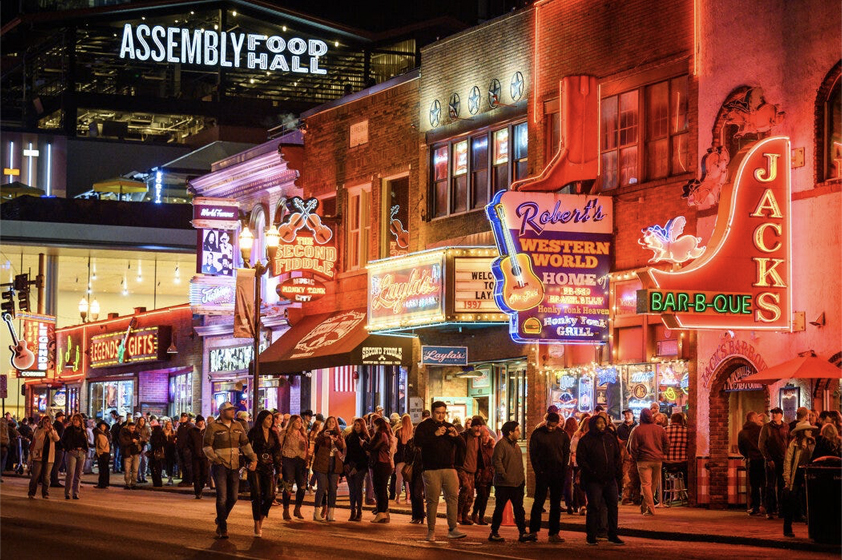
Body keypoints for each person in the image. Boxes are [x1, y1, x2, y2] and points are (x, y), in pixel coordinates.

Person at [202, 401, 257, 539]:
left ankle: (220, 519)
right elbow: (206, 446)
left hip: (234, 466)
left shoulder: (238, 426)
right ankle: (223, 527)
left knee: (233, 497)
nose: (233, 412)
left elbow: (245, 444)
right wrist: (215, 459)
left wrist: (253, 458)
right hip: (220, 466)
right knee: (222, 497)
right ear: (222, 412)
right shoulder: (213, 426)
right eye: (230, 410)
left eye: (233, 409)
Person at [414, 401, 467, 542]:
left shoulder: (449, 426)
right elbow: (417, 442)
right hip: (431, 469)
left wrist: (457, 436)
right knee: (432, 501)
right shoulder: (424, 426)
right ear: (432, 412)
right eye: (438, 413)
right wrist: (435, 434)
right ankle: (431, 531)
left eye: (443, 413)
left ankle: (452, 528)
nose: (441, 415)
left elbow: (463, 445)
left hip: (449, 468)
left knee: (452, 498)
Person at [577, 414, 624, 546]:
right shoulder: (586, 440)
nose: (602, 425)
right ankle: (591, 536)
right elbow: (581, 460)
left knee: (613, 507)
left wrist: (616, 472)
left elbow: (616, 457)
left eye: (603, 423)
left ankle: (613, 534)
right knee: (594, 507)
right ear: (593, 424)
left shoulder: (609, 438)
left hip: (609, 479)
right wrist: (592, 472)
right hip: (594, 480)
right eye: (598, 423)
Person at [487, 421, 533, 543]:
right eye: (517, 430)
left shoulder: (516, 446)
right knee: (499, 509)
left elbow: (518, 465)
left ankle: (522, 532)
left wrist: (521, 479)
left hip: (517, 484)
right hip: (504, 484)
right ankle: (494, 532)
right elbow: (497, 462)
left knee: (519, 509)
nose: (519, 432)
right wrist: (504, 475)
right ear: (510, 432)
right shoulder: (501, 445)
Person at [528, 412, 571, 542]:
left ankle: (554, 533)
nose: (550, 428)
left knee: (555, 504)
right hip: (543, 473)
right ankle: (534, 531)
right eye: (549, 425)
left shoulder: (563, 435)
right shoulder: (538, 433)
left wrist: (563, 471)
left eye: (553, 426)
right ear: (545, 421)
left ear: (557, 424)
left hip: (557, 473)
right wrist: (538, 470)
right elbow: (533, 454)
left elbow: (565, 454)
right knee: (538, 501)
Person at [248, 410, 282, 537]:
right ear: (262, 419)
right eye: (268, 419)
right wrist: (250, 461)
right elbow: (246, 448)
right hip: (256, 466)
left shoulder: (273, 434)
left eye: (271, 419)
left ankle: (260, 518)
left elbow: (277, 452)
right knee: (256, 495)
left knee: (269, 496)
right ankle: (256, 524)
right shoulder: (253, 432)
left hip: (268, 467)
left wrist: (279, 470)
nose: (270, 421)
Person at [629, 408, 669, 516]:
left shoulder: (638, 430)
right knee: (653, 485)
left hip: (643, 460)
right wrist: (663, 454)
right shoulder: (660, 429)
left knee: (646, 484)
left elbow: (633, 447)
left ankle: (650, 509)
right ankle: (644, 505)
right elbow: (666, 443)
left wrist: (635, 457)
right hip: (657, 459)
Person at [458, 416, 494, 526]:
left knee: (470, 495)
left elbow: (479, 455)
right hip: (463, 468)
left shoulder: (478, 439)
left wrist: (479, 469)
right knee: (466, 489)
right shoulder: (464, 436)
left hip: (473, 469)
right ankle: (458, 513)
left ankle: (465, 515)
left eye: (480, 426)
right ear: (472, 426)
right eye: (476, 426)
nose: (478, 428)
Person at [782, 421, 815, 537]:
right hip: (796, 475)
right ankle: (787, 528)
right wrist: (787, 476)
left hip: (807, 475)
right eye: (808, 430)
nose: (810, 431)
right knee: (791, 502)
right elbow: (788, 461)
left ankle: (812, 529)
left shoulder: (812, 444)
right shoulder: (794, 444)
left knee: (808, 502)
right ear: (802, 432)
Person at [312, 416, 346, 522]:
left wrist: (336, 440)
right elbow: (316, 443)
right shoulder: (322, 434)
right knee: (321, 487)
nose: (331, 423)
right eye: (329, 422)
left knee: (333, 489)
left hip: (334, 463)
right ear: (326, 423)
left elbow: (342, 447)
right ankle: (317, 513)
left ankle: (331, 514)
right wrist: (323, 436)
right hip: (322, 463)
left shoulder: (338, 435)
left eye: (333, 422)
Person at [759, 407, 789, 519]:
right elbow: (762, 445)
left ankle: (782, 510)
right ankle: (769, 510)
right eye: (773, 413)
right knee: (770, 485)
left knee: (782, 485)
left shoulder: (786, 427)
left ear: (781, 415)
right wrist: (768, 459)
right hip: (771, 459)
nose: (774, 415)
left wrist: (787, 457)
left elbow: (788, 442)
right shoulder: (766, 427)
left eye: (776, 413)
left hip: (783, 459)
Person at [278, 414, 309, 520]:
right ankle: (286, 509)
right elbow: (279, 447)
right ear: (292, 422)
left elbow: (306, 449)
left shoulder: (303, 434)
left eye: (300, 422)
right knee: (288, 486)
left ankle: (297, 508)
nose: (299, 424)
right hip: (288, 460)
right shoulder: (285, 433)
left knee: (302, 486)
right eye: (297, 421)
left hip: (300, 462)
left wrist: (307, 459)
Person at [366, 417, 394, 523]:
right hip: (385, 464)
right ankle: (384, 512)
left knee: (379, 489)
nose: (373, 427)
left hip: (380, 464)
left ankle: (381, 512)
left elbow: (372, 447)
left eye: (374, 425)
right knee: (382, 489)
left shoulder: (380, 434)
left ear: (377, 425)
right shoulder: (386, 434)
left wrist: (364, 444)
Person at [738, 411, 765, 515]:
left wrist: (747, 455)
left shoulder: (742, 432)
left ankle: (755, 507)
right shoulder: (761, 430)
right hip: (763, 459)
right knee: (764, 484)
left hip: (752, 460)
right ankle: (765, 506)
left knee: (754, 485)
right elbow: (765, 444)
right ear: (753, 419)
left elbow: (741, 449)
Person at [344, 417, 371, 521]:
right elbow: (346, 452)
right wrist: (346, 464)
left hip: (360, 466)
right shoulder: (349, 437)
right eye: (355, 425)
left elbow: (365, 456)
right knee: (352, 490)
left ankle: (359, 511)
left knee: (358, 488)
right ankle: (352, 511)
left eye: (358, 425)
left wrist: (357, 467)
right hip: (350, 464)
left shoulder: (365, 438)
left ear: (362, 426)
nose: (356, 427)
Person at [29, 416, 60, 499]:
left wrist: (50, 430)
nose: (46, 423)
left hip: (49, 456)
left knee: (46, 476)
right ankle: (31, 493)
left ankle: (45, 493)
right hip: (39, 456)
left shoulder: (53, 430)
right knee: (35, 476)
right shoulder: (38, 429)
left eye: (48, 421)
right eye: (45, 422)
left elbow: (57, 439)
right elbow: (37, 437)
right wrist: (43, 429)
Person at [471, 423, 496, 525]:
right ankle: (475, 514)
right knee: (482, 495)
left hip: (489, 475)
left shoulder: (491, 446)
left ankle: (481, 516)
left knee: (485, 497)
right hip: (481, 475)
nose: (486, 438)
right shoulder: (478, 447)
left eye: (487, 435)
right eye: (483, 436)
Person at [61, 413, 89, 500]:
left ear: (80, 422)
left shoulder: (83, 431)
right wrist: (67, 448)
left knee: (78, 474)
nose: (75, 421)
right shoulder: (68, 430)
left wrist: (85, 448)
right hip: (72, 452)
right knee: (70, 473)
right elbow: (63, 440)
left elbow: (86, 442)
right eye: (74, 420)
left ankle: (76, 493)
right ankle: (67, 493)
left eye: (77, 420)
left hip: (81, 453)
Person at [664, 412, 689, 500]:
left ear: (672, 420)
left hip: (667, 463)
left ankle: (662, 494)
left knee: (660, 470)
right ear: (682, 420)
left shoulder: (664, 430)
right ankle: (688, 493)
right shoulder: (687, 431)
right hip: (683, 463)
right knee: (688, 471)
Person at [570, 414, 591, 515]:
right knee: (587, 483)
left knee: (578, 483)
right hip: (588, 463)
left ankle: (580, 505)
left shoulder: (577, 435)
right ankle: (585, 504)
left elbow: (572, 449)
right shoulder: (590, 436)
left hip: (577, 463)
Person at [394, 414, 413, 504]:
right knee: (408, 479)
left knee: (399, 479)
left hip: (399, 458)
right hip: (409, 460)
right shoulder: (412, 432)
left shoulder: (398, 432)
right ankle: (408, 498)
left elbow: (395, 447)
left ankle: (398, 497)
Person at [189, 416, 209, 499]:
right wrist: (193, 451)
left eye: (202, 421)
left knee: (204, 473)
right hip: (196, 456)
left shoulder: (207, 431)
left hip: (205, 456)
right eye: (200, 421)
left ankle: (201, 485)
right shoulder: (192, 431)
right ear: (196, 422)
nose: (201, 423)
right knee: (196, 474)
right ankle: (198, 491)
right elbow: (189, 443)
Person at [119, 421, 142, 490]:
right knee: (127, 470)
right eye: (132, 428)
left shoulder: (136, 433)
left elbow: (140, 442)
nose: (133, 429)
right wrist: (132, 441)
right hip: (127, 453)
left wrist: (139, 443)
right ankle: (127, 483)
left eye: (134, 428)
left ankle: (133, 483)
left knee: (135, 469)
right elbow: (123, 443)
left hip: (135, 453)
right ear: (128, 427)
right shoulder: (124, 433)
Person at [176, 413, 195, 487]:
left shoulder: (190, 426)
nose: (183, 418)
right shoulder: (181, 426)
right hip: (181, 448)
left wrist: (188, 446)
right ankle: (184, 480)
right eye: (182, 417)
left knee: (188, 465)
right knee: (183, 465)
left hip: (187, 449)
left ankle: (189, 481)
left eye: (185, 417)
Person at [50, 411, 66, 487]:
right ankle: (54, 480)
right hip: (58, 448)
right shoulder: (60, 426)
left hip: (53, 446)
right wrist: (62, 446)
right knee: (57, 465)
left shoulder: (54, 425)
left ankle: (53, 479)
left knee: (54, 464)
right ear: (60, 417)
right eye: (62, 416)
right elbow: (60, 437)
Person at [93, 421, 111, 489]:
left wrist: (99, 451)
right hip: (104, 452)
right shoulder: (101, 434)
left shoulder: (102, 435)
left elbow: (101, 445)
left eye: (104, 426)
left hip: (103, 452)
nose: (102, 427)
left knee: (103, 468)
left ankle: (103, 483)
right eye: (101, 426)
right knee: (103, 468)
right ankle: (103, 483)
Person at [149, 423, 166, 487]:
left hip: (155, 453)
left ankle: (156, 482)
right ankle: (158, 481)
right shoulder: (161, 434)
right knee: (158, 468)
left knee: (155, 468)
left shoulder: (155, 435)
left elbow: (153, 443)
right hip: (159, 453)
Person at [136, 416, 150, 484]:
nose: (142, 422)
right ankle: (138, 477)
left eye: (143, 421)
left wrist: (145, 439)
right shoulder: (136, 428)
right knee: (138, 461)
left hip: (144, 445)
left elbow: (149, 435)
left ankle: (144, 476)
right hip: (138, 446)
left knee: (144, 461)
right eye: (140, 420)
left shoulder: (146, 428)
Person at [163, 419, 178, 485]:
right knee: (167, 464)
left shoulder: (173, 432)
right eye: (168, 425)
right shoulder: (163, 432)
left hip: (172, 450)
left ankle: (170, 477)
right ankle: (169, 477)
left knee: (171, 464)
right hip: (166, 450)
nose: (169, 426)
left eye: (170, 425)